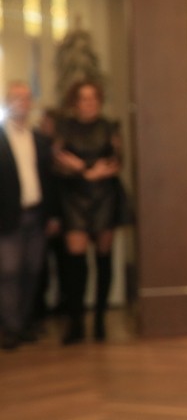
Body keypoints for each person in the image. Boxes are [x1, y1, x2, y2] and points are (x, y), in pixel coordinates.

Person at [53, 80, 127, 344]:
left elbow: (117, 161)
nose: (89, 103)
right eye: (84, 98)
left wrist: (86, 168)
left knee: (104, 259)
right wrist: (87, 170)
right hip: (74, 198)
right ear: (75, 102)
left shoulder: (109, 127)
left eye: (93, 98)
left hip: (104, 197)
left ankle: (99, 321)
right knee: (75, 262)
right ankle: (75, 322)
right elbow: (58, 162)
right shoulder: (64, 128)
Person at [0, 82, 59, 350]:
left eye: (25, 98)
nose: (21, 103)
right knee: (9, 273)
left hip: (37, 215)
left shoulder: (39, 139)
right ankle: (11, 328)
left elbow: (50, 180)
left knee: (33, 271)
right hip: (7, 218)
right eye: (15, 98)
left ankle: (23, 324)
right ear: (6, 102)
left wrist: (53, 215)